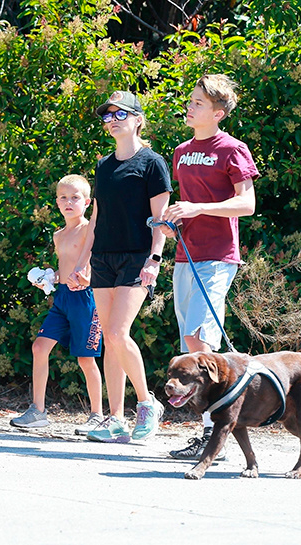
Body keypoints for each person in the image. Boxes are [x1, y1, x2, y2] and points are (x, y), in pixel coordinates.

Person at [161, 74, 258, 460]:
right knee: (190, 344)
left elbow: (246, 204)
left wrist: (199, 208)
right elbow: (188, 203)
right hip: (185, 254)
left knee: (202, 341)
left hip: (218, 256)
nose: (189, 105)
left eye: (198, 102)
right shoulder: (182, 150)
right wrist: (174, 223)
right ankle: (213, 430)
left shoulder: (232, 148)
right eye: (191, 100)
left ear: (218, 113)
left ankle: (215, 432)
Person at [70, 91, 171, 443]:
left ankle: (146, 404)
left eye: (120, 114)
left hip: (137, 257)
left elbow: (160, 220)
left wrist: (154, 260)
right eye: (107, 116)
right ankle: (115, 418)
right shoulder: (103, 165)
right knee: (110, 343)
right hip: (103, 260)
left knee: (116, 333)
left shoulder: (152, 163)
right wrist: (82, 261)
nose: (112, 120)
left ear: (138, 119)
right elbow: (96, 219)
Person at [10, 175, 104, 435]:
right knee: (39, 347)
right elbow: (65, 270)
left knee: (86, 359)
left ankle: (97, 415)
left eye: (75, 198)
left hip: (87, 300)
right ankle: (37, 411)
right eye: (63, 197)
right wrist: (48, 279)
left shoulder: (90, 229)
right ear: (57, 202)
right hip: (62, 298)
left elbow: (98, 264)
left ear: (87, 202)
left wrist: (90, 278)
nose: (68, 202)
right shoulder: (58, 235)